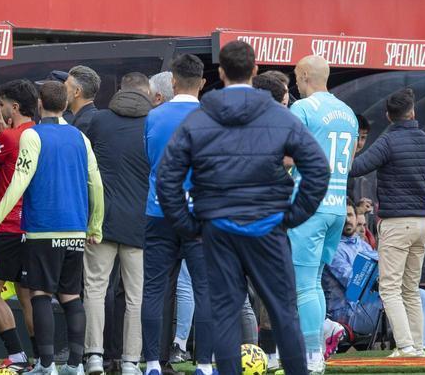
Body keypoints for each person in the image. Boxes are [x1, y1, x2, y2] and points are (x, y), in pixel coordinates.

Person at [156, 40, 328, 375]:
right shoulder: (278, 116)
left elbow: (167, 177)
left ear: (220, 72)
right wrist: (292, 215)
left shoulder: (200, 118)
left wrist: (189, 225)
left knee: (224, 314)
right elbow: (318, 168)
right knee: (284, 313)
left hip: (218, 227)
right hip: (268, 225)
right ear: (255, 70)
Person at [0, 80, 104, 375]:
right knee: (71, 297)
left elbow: (19, 183)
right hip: (75, 229)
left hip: (42, 229)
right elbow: (96, 183)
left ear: (39, 104)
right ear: (64, 105)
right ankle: (75, 365)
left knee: (41, 295)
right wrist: (95, 225)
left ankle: (46, 365)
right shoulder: (79, 137)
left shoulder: (32, 135)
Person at [141, 54, 214, 375]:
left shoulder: (153, 116)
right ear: (203, 83)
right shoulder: (212, 117)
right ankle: (205, 364)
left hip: (160, 211)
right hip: (199, 213)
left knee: (154, 288)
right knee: (205, 288)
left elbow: (149, 158)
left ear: (172, 82)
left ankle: (152, 363)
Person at [289, 54, 360, 371]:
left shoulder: (302, 108)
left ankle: (312, 354)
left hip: (309, 204)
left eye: (295, 75)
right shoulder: (348, 113)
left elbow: (289, 157)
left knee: (304, 284)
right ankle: (316, 348)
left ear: (305, 75)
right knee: (314, 281)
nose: (295, 81)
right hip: (336, 206)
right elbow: (352, 158)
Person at [347, 88, 425, 357]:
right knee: (411, 288)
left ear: (388, 116)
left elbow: (356, 168)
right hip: (423, 223)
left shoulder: (387, 141)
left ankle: (405, 346)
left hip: (396, 223)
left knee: (390, 288)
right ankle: (417, 346)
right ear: (413, 112)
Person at [81, 73, 152, 375]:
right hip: (140, 222)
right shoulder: (152, 123)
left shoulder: (99, 121)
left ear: (120, 90)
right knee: (136, 295)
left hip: (102, 220)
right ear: (147, 92)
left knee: (95, 288)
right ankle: (131, 361)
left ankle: (94, 356)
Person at [0, 79, 40, 370]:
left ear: (14, 107)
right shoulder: (39, 134)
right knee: (28, 296)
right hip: (34, 226)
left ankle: (16, 356)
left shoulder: (10, 136)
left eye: (1, 103)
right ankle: (42, 359)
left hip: (7, 227)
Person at [323, 204, 384, 337]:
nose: (347, 219)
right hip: (346, 314)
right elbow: (355, 284)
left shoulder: (364, 245)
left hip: (369, 306)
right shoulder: (331, 248)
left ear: (357, 218)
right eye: (342, 216)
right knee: (393, 299)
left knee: (421, 295)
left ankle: (423, 343)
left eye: (350, 215)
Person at [65, 65, 100, 133]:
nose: (62, 92)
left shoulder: (83, 124)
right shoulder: (95, 118)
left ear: (77, 92)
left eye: (65, 87)